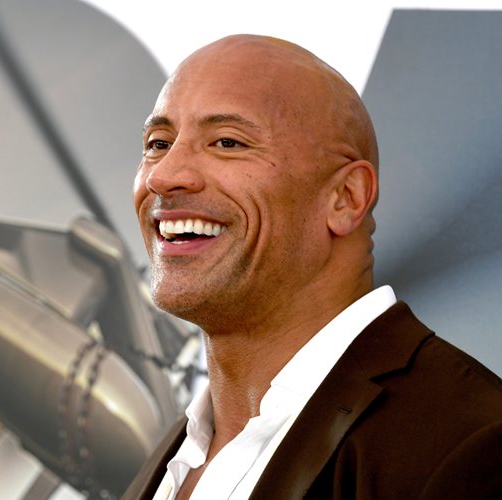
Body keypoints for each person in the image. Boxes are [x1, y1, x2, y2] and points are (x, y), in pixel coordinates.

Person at [124, 34, 502, 499]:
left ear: (346, 198)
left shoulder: (468, 446)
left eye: (227, 142)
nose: (163, 176)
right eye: (159, 143)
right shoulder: (177, 455)